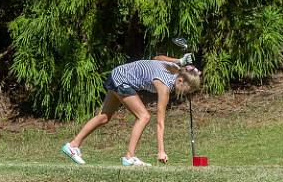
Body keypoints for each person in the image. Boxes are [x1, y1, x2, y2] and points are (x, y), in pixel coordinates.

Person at [62, 54, 202, 166]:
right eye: (188, 89)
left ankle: (73, 145)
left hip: (118, 73)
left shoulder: (174, 68)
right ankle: (129, 157)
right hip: (122, 79)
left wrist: (179, 60)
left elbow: (157, 58)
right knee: (144, 116)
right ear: (181, 81)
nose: (187, 93)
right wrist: (161, 151)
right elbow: (160, 122)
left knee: (104, 117)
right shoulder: (164, 86)